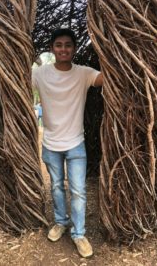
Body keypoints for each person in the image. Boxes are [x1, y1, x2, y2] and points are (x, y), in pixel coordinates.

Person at [32, 28, 103, 258]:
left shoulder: (83, 73)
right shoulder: (40, 74)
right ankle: (61, 222)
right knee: (56, 187)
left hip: (75, 144)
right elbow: (17, 78)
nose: (64, 49)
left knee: (79, 190)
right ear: (52, 48)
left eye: (68, 45)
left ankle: (79, 233)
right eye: (59, 45)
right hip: (51, 144)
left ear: (74, 49)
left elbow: (103, 79)